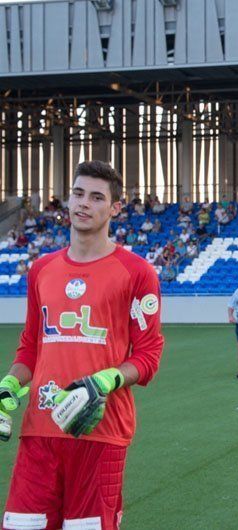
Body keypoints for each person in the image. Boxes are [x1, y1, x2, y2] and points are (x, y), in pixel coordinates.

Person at [0, 160, 163, 530]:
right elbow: (30, 347)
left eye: (96, 197)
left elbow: (149, 354)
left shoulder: (137, 273)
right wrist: (9, 383)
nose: (83, 204)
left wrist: (106, 381)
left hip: (99, 432)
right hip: (39, 432)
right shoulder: (42, 270)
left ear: (115, 208)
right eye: (77, 194)